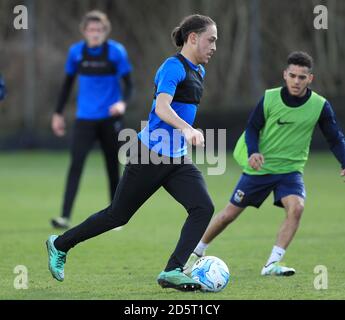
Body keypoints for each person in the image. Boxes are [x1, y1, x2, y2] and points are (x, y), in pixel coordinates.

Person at [46, 14, 218, 291]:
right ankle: (60, 244)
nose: (213, 46)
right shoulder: (172, 67)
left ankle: (173, 270)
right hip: (149, 153)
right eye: (211, 40)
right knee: (117, 215)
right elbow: (162, 108)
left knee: (203, 207)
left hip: (177, 158)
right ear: (193, 38)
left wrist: (184, 135)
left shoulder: (199, 71)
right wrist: (187, 128)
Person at [185, 51, 345, 277]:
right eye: (293, 75)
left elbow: (335, 138)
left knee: (297, 207)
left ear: (310, 79)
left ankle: (271, 264)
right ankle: (195, 253)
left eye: (302, 77)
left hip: (290, 171)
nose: (297, 81)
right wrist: (253, 152)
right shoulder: (270, 98)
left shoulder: (320, 105)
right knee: (228, 215)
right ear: (285, 75)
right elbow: (252, 128)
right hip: (259, 169)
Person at [50, 11, 133, 229]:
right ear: (84, 31)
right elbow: (67, 85)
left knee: (112, 167)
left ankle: (116, 217)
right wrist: (58, 113)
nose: (95, 34)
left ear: (105, 31)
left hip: (110, 119)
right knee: (75, 164)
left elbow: (129, 85)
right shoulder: (76, 53)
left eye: (99, 30)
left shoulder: (116, 52)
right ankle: (64, 217)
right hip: (84, 119)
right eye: (91, 30)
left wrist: (123, 103)